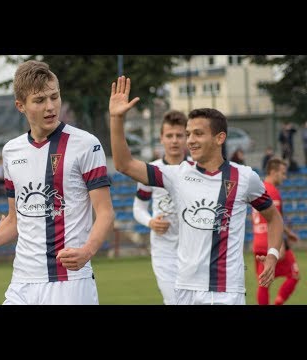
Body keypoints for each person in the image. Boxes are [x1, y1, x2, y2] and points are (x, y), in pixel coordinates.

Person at [109, 76, 284, 305]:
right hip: (185, 290)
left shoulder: (245, 177)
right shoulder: (177, 174)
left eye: (198, 134)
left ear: (220, 138)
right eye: (188, 133)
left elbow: (274, 218)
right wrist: (116, 119)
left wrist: (273, 255)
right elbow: (124, 165)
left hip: (227, 291)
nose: (189, 140)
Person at [0, 60, 115, 305]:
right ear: (20, 105)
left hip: (70, 282)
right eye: (39, 100)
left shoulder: (86, 144)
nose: (50, 106)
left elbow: (106, 212)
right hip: (22, 281)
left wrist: (87, 252)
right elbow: (15, 219)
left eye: (54, 97)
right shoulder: (11, 151)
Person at [132, 110, 188, 304]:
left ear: (186, 138)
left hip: (193, 250)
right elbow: (138, 208)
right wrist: (151, 222)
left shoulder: (196, 170)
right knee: (173, 300)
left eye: (179, 135)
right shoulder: (150, 171)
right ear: (161, 138)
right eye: (169, 136)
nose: (174, 141)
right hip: (163, 251)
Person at [252, 157, 300, 305]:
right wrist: (280, 246)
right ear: (273, 172)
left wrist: (287, 232)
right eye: (282, 173)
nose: (284, 177)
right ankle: (278, 303)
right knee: (294, 274)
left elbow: (266, 217)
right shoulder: (272, 192)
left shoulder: (258, 189)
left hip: (258, 243)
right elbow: (274, 221)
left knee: (264, 282)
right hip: (270, 243)